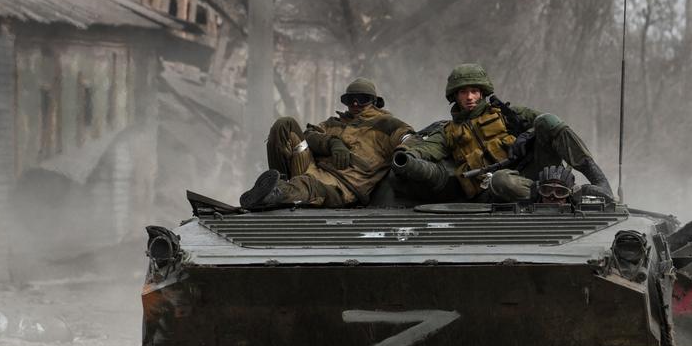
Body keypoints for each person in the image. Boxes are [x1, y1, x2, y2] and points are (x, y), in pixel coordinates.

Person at [391, 63, 611, 202]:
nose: (469, 97)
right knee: (500, 180)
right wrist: (408, 155)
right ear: (455, 96)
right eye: (464, 92)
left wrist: (528, 133)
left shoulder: (507, 113)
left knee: (547, 121)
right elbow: (427, 149)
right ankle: (566, 196)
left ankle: (599, 182)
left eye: (474, 91)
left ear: (482, 93)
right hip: (499, 188)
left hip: (535, 171)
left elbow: (549, 124)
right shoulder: (448, 131)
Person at [241, 78, 413, 208]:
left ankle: (275, 193)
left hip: (341, 187)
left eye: (362, 99)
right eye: (350, 99)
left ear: (374, 101)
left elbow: (409, 138)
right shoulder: (334, 123)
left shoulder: (387, 125)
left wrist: (409, 156)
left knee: (307, 184)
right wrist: (332, 142)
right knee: (285, 125)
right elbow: (309, 134)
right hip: (311, 168)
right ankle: (277, 183)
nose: (355, 103)